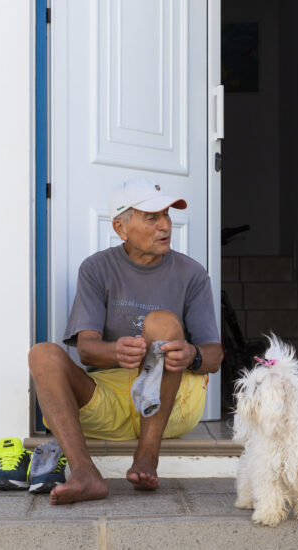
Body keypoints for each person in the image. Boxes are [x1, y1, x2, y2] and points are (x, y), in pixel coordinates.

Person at [29, 177, 223, 505]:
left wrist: (191, 354)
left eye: (166, 216)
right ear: (121, 228)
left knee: (161, 323)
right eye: (152, 217)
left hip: (171, 405)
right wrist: (115, 351)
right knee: (42, 354)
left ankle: (147, 455)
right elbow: (87, 349)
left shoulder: (192, 273)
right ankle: (84, 473)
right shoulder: (96, 268)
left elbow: (215, 355)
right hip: (109, 403)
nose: (165, 225)